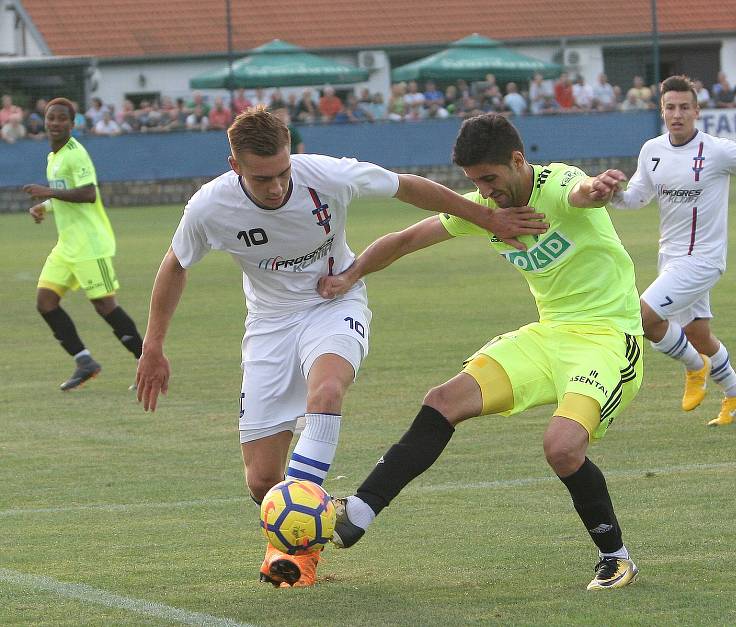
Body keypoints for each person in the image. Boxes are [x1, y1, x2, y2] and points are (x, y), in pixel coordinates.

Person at [134, 105, 545, 588]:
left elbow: (407, 185)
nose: (276, 186)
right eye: (262, 177)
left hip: (334, 301)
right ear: (235, 167)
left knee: (326, 392)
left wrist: (487, 216)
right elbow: (175, 265)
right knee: (262, 482)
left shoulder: (325, 176)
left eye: (283, 171)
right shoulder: (209, 207)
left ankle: (299, 555)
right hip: (268, 327)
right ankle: (310, 520)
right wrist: (153, 346)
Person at [323, 113, 645, 591]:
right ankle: (361, 510)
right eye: (475, 182)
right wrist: (350, 276)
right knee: (443, 400)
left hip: (606, 340)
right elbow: (405, 239)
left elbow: (580, 191)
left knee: (561, 448)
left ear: (518, 161)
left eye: (490, 179)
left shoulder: (557, 184)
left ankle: (615, 556)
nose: (485, 191)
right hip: (548, 336)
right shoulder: (483, 210)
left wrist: (598, 188)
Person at [608, 75, 736, 426]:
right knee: (698, 335)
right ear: (662, 111)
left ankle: (695, 367)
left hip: (704, 260)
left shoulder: (718, 151)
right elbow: (636, 199)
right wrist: (615, 193)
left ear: (697, 110)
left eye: (684, 107)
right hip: (670, 259)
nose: (678, 114)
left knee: (642, 317)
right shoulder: (652, 150)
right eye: (671, 107)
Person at [22, 98, 144, 390]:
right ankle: (84, 361)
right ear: (45, 120)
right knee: (46, 302)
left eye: (62, 119)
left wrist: (45, 191)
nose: (55, 123)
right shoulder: (54, 157)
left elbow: (89, 193)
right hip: (67, 246)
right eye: (51, 118)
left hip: (90, 245)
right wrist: (45, 206)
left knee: (104, 306)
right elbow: (66, 194)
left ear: (72, 124)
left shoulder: (76, 154)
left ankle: (148, 363)